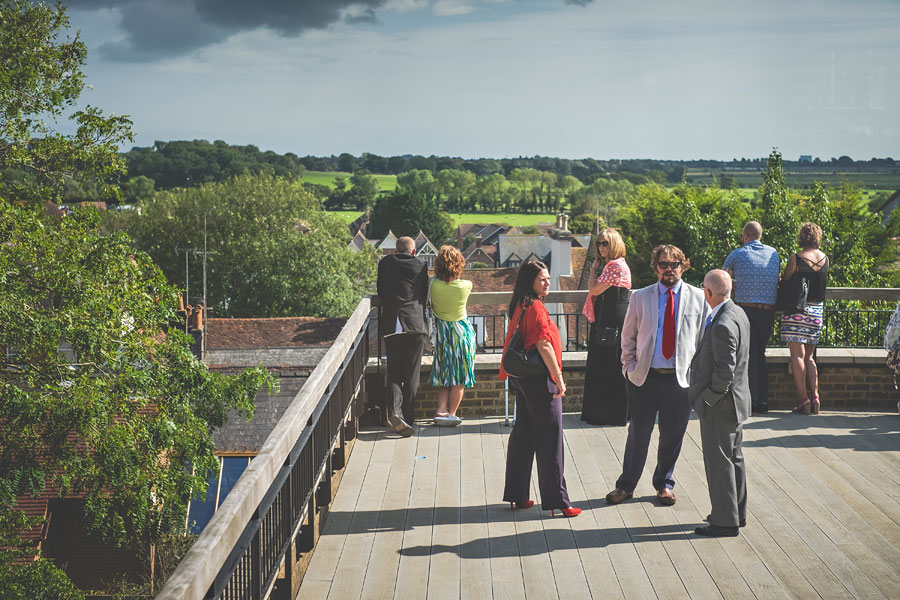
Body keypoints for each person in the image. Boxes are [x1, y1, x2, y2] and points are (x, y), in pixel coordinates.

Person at [605, 245, 709, 507]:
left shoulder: (699, 298)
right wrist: (628, 367)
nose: (669, 269)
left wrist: (698, 374)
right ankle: (626, 485)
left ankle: (664, 483)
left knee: (673, 435)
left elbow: (705, 340)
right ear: (656, 267)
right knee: (638, 434)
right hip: (644, 378)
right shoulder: (640, 297)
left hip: (680, 379)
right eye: (663, 264)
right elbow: (627, 335)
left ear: (682, 266)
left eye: (674, 264)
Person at [500, 260, 581, 517]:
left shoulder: (521, 302)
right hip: (539, 380)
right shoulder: (534, 306)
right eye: (542, 279)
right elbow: (544, 344)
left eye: (547, 278)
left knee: (523, 436)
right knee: (550, 439)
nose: (547, 282)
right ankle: (559, 501)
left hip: (522, 379)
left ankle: (517, 494)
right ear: (531, 282)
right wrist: (559, 378)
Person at [690, 270, 751, 538]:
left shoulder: (724, 323)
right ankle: (735, 513)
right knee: (734, 460)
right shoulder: (738, 313)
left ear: (709, 293)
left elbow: (724, 373)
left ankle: (724, 521)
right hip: (736, 403)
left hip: (721, 406)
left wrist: (706, 400)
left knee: (720, 463)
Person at [723, 221, 780, 414]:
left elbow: (722, 281)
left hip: (744, 310)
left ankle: (748, 401)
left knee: (745, 355)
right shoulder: (774, 253)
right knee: (760, 355)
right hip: (767, 310)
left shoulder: (737, 254)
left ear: (745, 236)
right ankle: (762, 401)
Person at [377, 236, 429, 437]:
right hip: (414, 323)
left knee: (394, 372)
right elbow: (423, 294)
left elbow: (380, 290)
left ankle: (395, 412)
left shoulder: (385, 263)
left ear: (395, 250)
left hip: (392, 323)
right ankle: (408, 418)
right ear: (414, 251)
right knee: (412, 374)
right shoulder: (421, 264)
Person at [581, 227, 632, 425]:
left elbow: (593, 289)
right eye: (599, 243)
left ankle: (603, 414)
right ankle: (613, 413)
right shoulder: (617, 265)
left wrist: (593, 269)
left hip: (610, 321)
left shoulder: (613, 267)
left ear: (614, 244)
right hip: (613, 320)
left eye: (605, 243)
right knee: (611, 366)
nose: (601, 247)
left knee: (604, 367)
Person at [780, 222, 829, 415]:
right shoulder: (826, 258)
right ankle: (816, 396)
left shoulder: (797, 258)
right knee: (809, 357)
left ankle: (803, 399)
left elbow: (785, 281)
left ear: (802, 237)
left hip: (797, 311)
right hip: (817, 311)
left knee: (797, 356)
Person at [429, 245, 476, 426]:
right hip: (461, 334)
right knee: (459, 377)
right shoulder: (466, 285)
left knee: (444, 374)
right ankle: (452, 413)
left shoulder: (432, 284)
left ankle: (441, 410)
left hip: (443, 334)